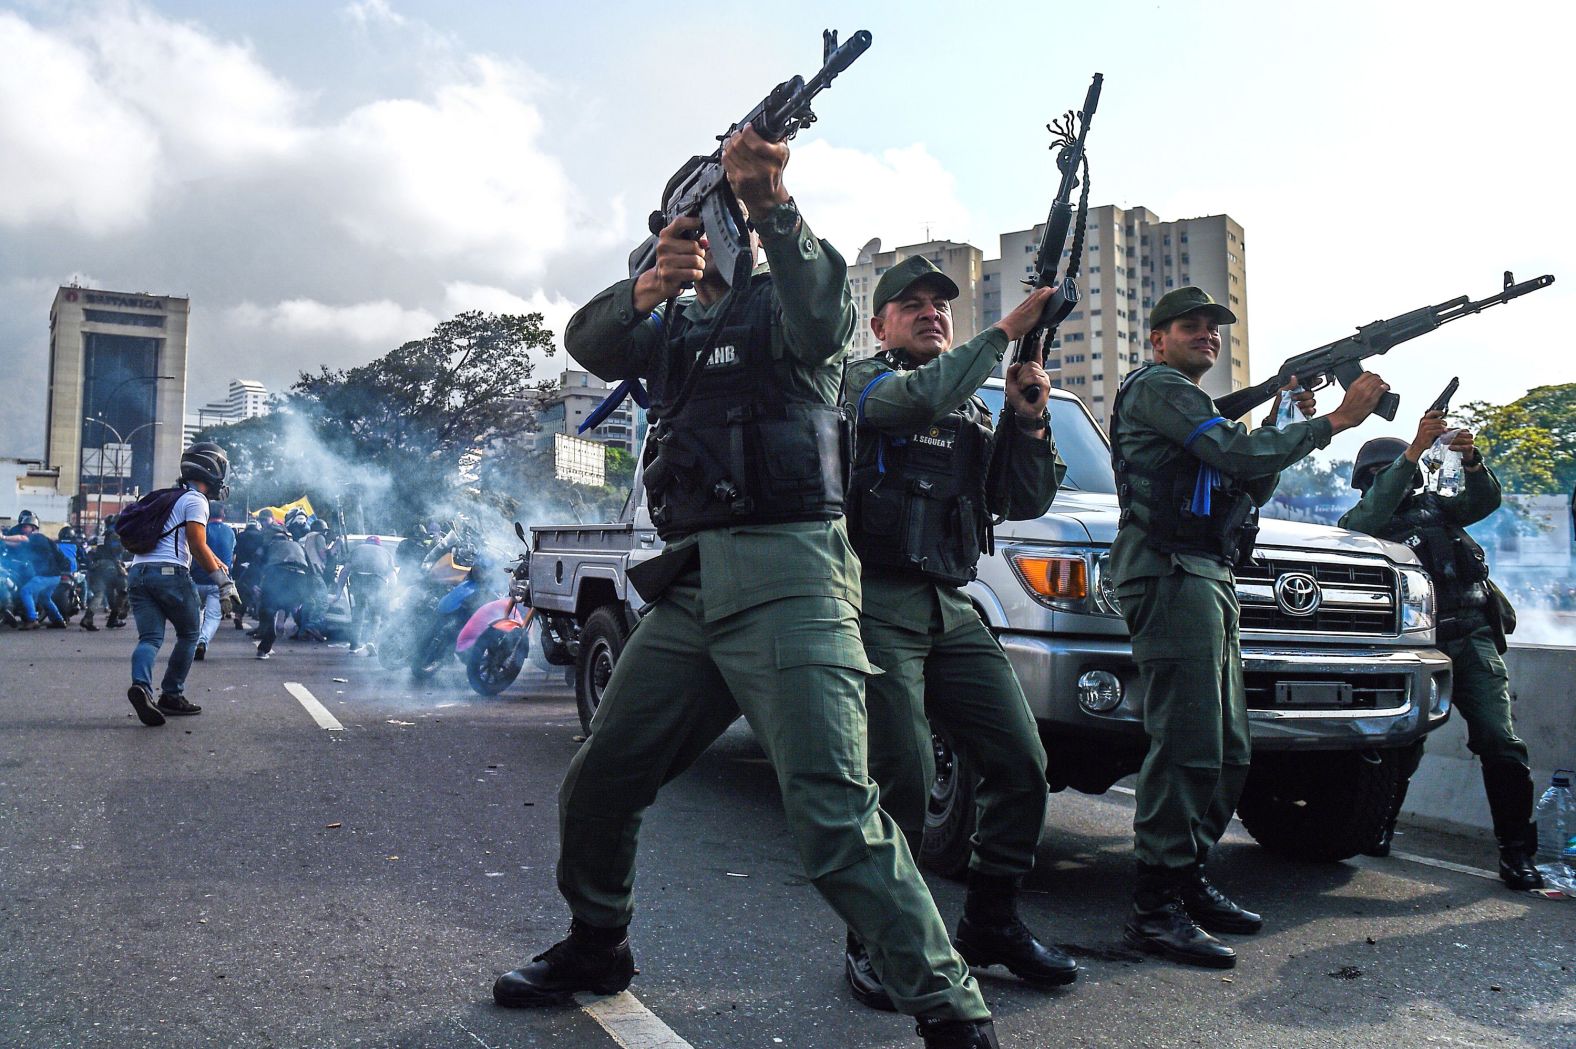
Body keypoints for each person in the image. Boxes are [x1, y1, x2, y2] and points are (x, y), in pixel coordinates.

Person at [492, 127, 999, 1048]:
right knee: (600, 780)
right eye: (687, 227)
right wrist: (650, 282)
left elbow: (826, 314)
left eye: (712, 223)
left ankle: (953, 1012)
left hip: (792, 576)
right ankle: (596, 943)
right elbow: (589, 339)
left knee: (836, 814)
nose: (708, 241)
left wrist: (771, 201)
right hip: (693, 586)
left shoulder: (785, 306)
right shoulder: (670, 328)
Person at [1109, 287, 1388, 969]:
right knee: (1188, 743)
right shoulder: (1158, 388)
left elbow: (1250, 479)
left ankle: (1185, 878)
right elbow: (1235, 454)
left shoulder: (1197, 407)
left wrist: (1286, 413)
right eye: (1189, 326)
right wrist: (1337, 423)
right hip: (1170, 573)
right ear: (1157, 340)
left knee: (1230, 747)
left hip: (1207, 574)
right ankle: (1154, 907)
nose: (1206, 334)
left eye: (1213, 327)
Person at [837, 256, 1074, 1008]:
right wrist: (1006, 333)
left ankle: (992, 921)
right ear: (879, 325)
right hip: (875, 601)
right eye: (910, 305)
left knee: (1020, 761)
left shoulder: (971, 405)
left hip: (951, 604)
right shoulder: (860, 382)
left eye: (941, 304)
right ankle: (877, 937)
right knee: (900, 772)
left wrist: (1030, 416)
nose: (931, 312)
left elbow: (1018, 498)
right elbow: (910, 401)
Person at [1339, 413, 1542, 890]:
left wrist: (1469, 460)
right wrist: (1411, 452)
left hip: (1470, 634)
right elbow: (1367, 516)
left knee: (1499, 740)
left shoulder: (1440, 508)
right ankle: (1378, 825)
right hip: (1414, 644)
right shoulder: (1362, 522)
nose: (1403, 480)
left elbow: (1484, 498)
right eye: (1388, 473)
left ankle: (1516, 852)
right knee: (1399, 742)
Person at [124, 446, 239, 727]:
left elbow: (196, 544)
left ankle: (142, 686)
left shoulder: (166, 497)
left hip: (138, 573)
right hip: (170, 574)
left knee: (150, 638)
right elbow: (196, 545)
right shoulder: (196, 500)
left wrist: (217, 563)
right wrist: (222, 582)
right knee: (190, 634)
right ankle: (172, 695)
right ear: (212, 471)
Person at [254, 521, 316, 659]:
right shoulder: (298, 546)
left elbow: (257, 565)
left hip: (277, 575)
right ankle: (288, 617)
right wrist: (307, 594)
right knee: (290, 601)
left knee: (268, 608)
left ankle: (264, 647)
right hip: (299, 578)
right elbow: (311, 571)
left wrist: (257, 585)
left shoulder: (268, 546)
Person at [1, 514, 68, 629]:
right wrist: (4, 542)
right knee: (45, 598)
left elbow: (21, 539)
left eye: (26, 527)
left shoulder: (36, 537)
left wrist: (3, 537)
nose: (23, 529)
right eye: (23, 527)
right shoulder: (42, 539)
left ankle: (32, 619)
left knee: (26, 591)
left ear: (33, 527)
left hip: (46, 576)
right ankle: (59, 621)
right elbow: (17, 544)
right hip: (54, 576)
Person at [191, 501, 236, 660]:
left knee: (197, 613)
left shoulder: (199, 530)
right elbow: (232, 556)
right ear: (223, 514)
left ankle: (194, 642)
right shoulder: (230, 532)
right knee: (213, 617)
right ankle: (203, 641)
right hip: (219, 581)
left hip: (196, 579)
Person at [346, 535, 394, 654]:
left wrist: (338, 592)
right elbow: (392, 576)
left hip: (357, 578)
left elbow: (345, 570)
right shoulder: (386, 553)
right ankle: (371, 642)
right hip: (377, 581)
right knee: (375, 614)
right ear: (379, 545)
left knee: (359, 609)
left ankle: (354, 644)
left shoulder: (357, 549)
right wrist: (391, 592)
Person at [82, 521, 130, 630]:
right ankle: (113, 618)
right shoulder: (116, 535)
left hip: (98, 566)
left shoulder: (102, 535)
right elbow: (117, 551)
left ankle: (88, 618)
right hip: (111, 566)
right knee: (123, 591)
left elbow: (99, 550)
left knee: (101, 593)